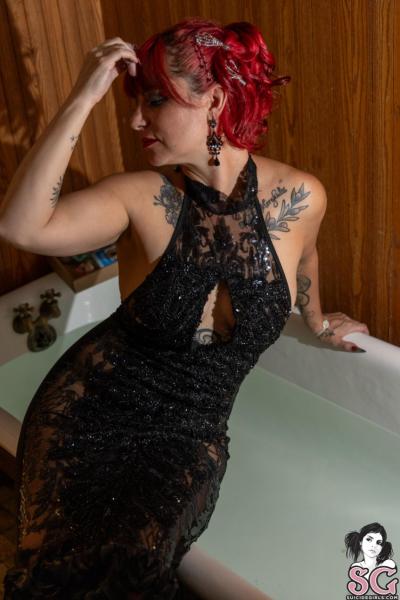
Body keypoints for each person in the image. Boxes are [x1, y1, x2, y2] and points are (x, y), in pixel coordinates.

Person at [0, 16, 370, 599]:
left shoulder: (301, 197)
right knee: (71, 575)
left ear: (214, 101)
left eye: (154, 100)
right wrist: (81, 97)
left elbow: (305, 261)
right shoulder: (141, 198)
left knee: (132, 571)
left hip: (191, 431)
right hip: (88, 413)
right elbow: (21, 227)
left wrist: (319, 322)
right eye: (133, 102)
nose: (135, 120)